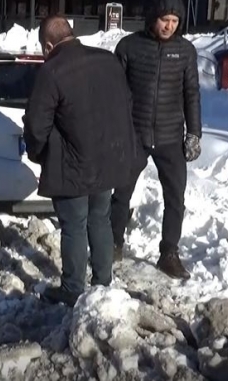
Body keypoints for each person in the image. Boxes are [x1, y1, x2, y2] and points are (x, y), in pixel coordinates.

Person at [23, 15, 138, 307]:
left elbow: (37, 124)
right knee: (100, 219)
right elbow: (126, 104)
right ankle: (103, 283)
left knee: (74, 225)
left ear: (48, 45)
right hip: (108, 160)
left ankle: (73, 288)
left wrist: (38, 154)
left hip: (72, 165)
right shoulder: (108, 61)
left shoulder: (52, 71)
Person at [110, 0, 202, 280]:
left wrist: (194, 133)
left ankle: (169, 253)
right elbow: (115, 92)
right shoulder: (129, 47)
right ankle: (113, 243)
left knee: (175, 198)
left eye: (175, 20)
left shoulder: (186, 51)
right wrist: (115, 130)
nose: (170, 26)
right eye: (165, 19)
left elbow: (192, 93)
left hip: (170, 136)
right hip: (134, 134)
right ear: (154, 18)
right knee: (121, 192)